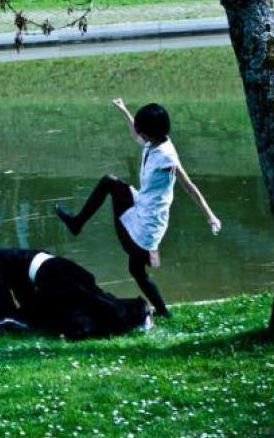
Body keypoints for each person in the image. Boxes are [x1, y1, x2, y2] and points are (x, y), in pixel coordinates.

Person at [55, 99, 221, 318]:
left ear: (149, 133)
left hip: (147, 222)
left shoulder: (167, 157)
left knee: (110, 183)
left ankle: (77, 223)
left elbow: (189, 187)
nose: (137, 133)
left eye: (141, 129)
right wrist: (124, 110)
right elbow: (136, 133)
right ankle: (164, 312)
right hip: (142, 205)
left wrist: (210, 216)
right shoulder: (154, 143)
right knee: (136, 270)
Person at [0, 231, 152, 340]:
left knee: (92, 308)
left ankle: (138, 312)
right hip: (58, 269)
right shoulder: (10, 259)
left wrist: (0, 323)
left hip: (53, 274)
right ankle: (136, 315)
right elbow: (26, 296)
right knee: (90, 306)